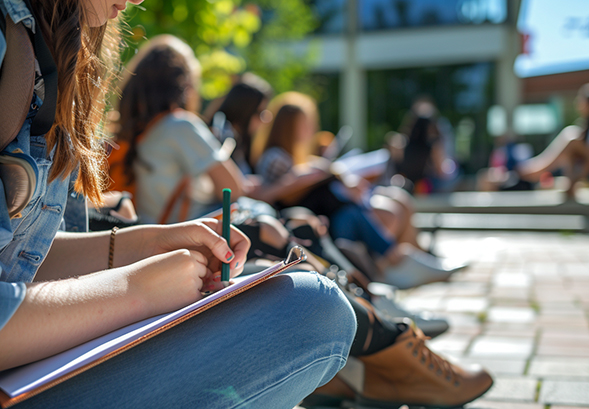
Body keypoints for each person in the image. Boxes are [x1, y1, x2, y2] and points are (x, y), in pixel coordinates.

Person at [0, 2, 357, 408]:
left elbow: (20, 261)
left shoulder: (43, 51)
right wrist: (136, 289)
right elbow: (239, 188)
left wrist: (149, 244)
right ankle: (385, 351)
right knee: (315, 307)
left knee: (296, 290)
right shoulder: (179, 124)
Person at [254, 99, 467, 290]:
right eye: (305, 124)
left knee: (357, 211)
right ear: (289, 126)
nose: (311, 129)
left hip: (323, 217)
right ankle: (391, 265)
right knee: (352, 214)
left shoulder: (294, 155)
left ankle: (391, 267)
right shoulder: (276, 157)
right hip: (306, 221)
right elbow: (274, 194)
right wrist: (307, 175)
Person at [113, 35, 258, 223]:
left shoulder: (130, 131)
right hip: (182, 235)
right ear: (185, 84)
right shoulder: (181, 125)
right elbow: (233, 190)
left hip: (143, 233)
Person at [518, 82, 589, 196]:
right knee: (571, 139)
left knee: (571, 139)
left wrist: (577, 179)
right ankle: (536, 169)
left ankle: (536, 170)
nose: (578, 103)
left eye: (582, 100)